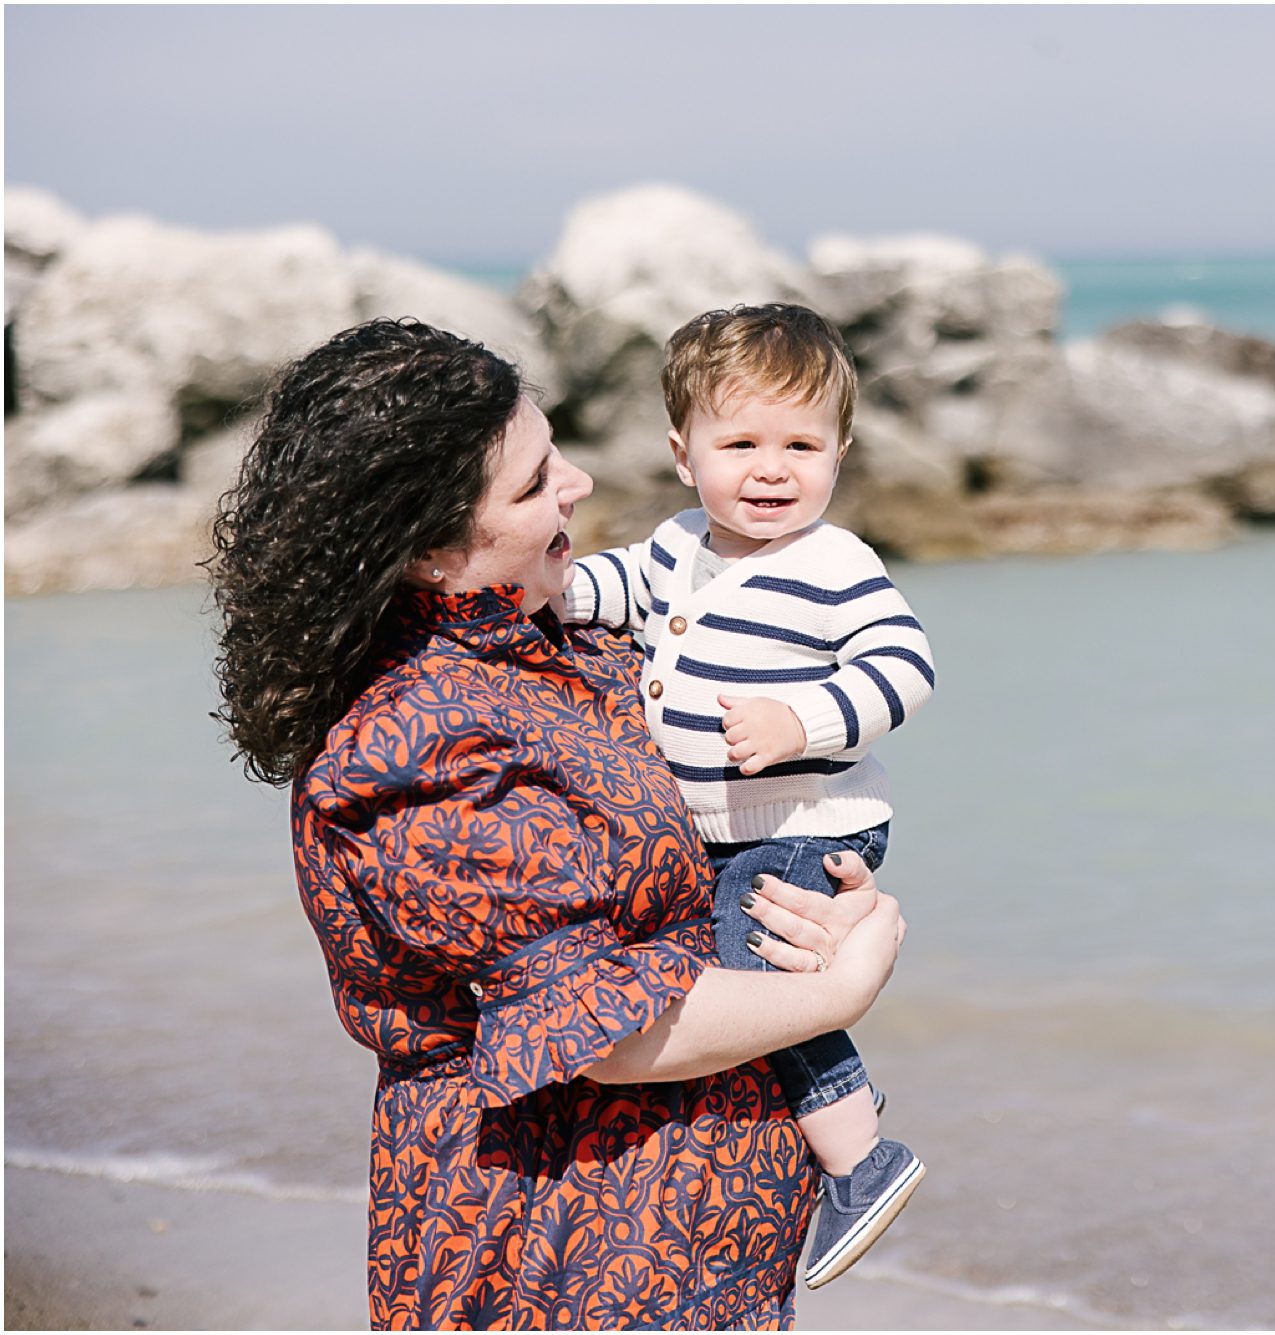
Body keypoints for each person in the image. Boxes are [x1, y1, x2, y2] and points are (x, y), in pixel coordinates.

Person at [206, 317, 905, 1330]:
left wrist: (826, 898)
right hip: (566, 1256)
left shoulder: (553, 644)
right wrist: (844, 987)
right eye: (535, 483)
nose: (578, 483)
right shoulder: (413, 745)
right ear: (430, 549)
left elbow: (694, 878)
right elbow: (603, 1032)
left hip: (694, 1246)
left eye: (557, 452)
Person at [561, 303, 933, 1289]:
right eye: (740, 445)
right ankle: (826, 1096)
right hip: (716, 834)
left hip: (805, 822)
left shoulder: (834, 564)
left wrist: (800, 722)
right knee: (737, 962)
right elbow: (611, 586)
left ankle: (860, 1155)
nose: (772, 470)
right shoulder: (676, 543)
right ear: (682, 454)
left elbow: (904, 668)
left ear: (840, 453)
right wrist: (544, 594)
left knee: (753, 967)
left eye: (801, 445)